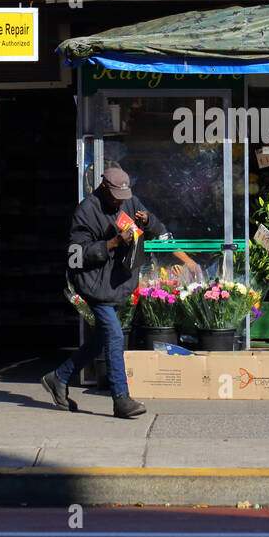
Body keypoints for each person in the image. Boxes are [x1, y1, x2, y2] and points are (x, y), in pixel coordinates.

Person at [43, 165, 166, 418]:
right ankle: (121, 399)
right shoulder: (86, 210)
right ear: (103, 188)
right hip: (94, 284)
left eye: (124, 197)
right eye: (115, 197)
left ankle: (59, 377)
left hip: (117, 283)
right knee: (114, 336)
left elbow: (159, 230)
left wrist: (147, 222)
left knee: (101, 339)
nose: (120, 202)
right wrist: (112, 243)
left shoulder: (130, 203)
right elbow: (76, 255)